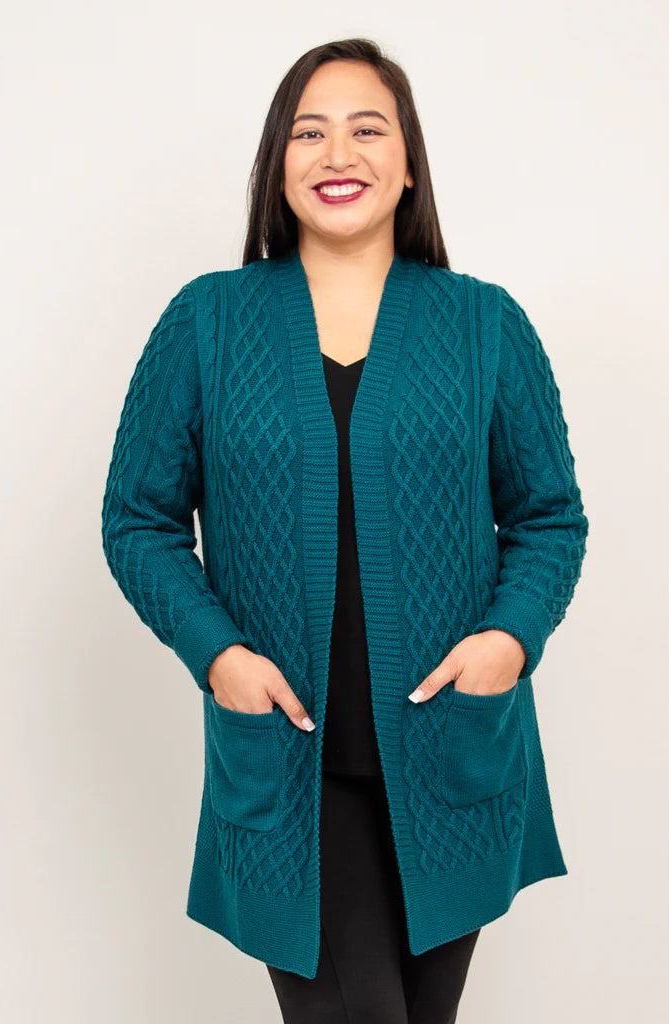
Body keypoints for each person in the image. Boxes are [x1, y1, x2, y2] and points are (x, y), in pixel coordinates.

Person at [101, 37, 589, 1023]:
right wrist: (219, 656)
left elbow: (549, 519)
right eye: (308, 132)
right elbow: (137, 520)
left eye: (368, 130)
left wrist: (506, 641)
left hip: (452, 760)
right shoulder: (208, 321)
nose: (338, 154)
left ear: (408, 165)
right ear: (276, 164)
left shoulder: (485, 325)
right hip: (287, 767)